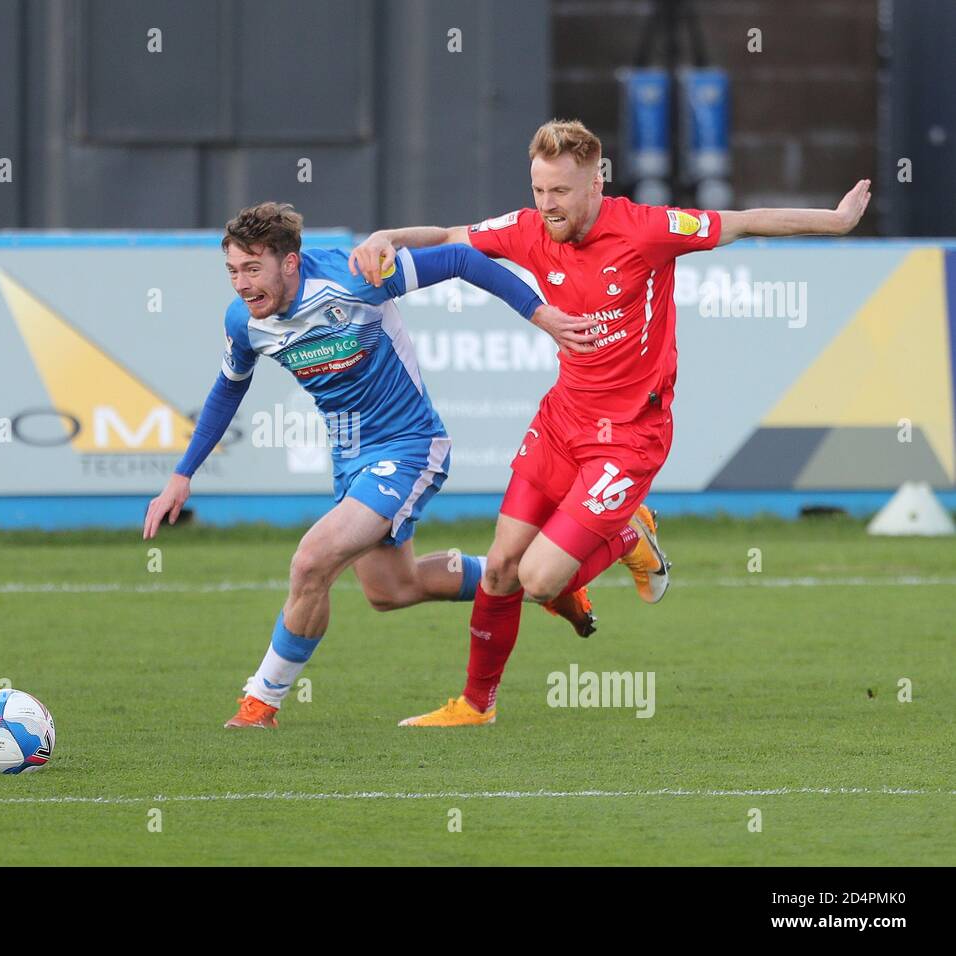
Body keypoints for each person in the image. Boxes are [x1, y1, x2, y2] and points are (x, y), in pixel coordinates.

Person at [349, 119, 872, 727]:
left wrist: (834, 223)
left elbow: (746, 220)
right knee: (498, 567)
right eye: (539, 190)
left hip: (628, 437)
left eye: (561, 193)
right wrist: (387, 235)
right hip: (562, 421)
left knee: (538, 581)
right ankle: (475, 705)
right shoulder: (527, 228)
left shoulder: (645, 230)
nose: (547, 206)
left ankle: (628, 536)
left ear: (596, 182)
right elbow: (448, 236)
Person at [144, 201, 596, 729]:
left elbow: (460, 261)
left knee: (311, 561)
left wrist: (541, 315)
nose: (241, 284)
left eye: (252, 269)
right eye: (232, 271)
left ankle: (260, 703)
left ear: (290, 263)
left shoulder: (355, 276)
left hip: (408, 445)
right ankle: (535, 578)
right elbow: (228, 389)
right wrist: (183, 474)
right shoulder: (244, 322)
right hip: (351, 459)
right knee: (392, 590)